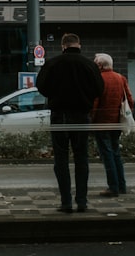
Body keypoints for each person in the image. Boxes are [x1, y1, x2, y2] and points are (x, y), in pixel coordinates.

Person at [35, 33, 105, 213]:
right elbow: (99, 89)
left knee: (61, 159)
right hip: (81, 115)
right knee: (81, 158)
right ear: (79, 45)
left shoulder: (52, 63)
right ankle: (82, 201)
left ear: (62, 46)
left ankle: (66, 202)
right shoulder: (89, 65)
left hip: (59, 115)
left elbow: (41, 86)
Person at [91, 53, 133, 197]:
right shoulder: (120, 78)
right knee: (116, 153)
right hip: (116, 123)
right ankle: (122, 185)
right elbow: (130, 101)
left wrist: (91, 119)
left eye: (96, 63)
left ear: (100, 65)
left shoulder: (98, 79)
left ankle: (113, 187)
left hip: (101, 124)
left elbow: (94, 103)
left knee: (107, 155)